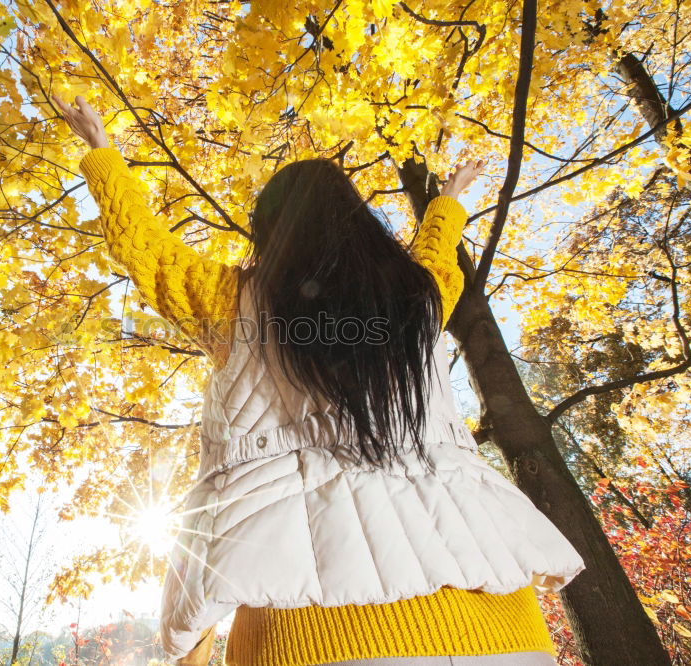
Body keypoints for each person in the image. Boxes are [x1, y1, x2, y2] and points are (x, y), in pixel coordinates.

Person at [51, 92, 585, 666]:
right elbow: (435, 258)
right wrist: (448, 203)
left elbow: (149, 254)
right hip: (501, 625)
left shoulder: (236, 302)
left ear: (270, 231)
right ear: (359, 222)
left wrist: (103, 153)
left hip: (312, 634)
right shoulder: (419, 301)